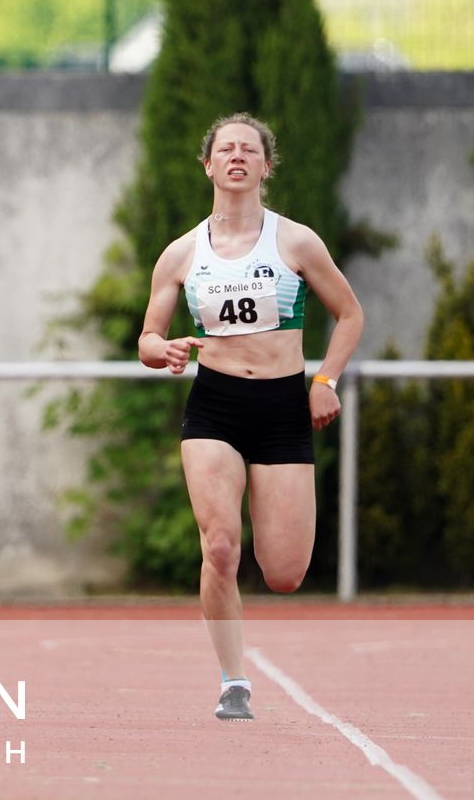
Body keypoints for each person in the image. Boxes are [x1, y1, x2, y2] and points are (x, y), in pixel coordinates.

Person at [137, 113, 363, 721]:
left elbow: (350, 315)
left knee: (285, 573)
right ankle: (233, 680)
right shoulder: (182, 253)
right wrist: (164, 351)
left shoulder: (295, 242)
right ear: (208, 164)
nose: (237, 157)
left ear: (266, 166)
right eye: (226, 149)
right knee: (220, 548)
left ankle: (239, 659)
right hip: (215, 406)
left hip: (284, 407)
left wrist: (325, 380)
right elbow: (148, 339)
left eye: (249, 149)